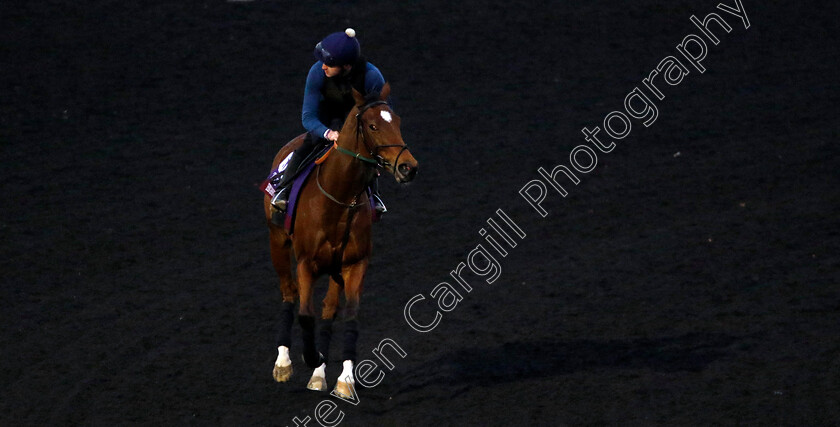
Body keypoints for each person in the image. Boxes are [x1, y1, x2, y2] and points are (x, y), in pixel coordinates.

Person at [271, 28, 388, 214]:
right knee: (309, 144)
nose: (323, 66)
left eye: (330, 64)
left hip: (356, 118)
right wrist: (328, 133)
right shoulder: (317, 72)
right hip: (326, 115)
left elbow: (381, 117)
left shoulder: (372, 77)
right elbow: (308, 117)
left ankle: (374, 194)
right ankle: (283, 190)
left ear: (347, 66)